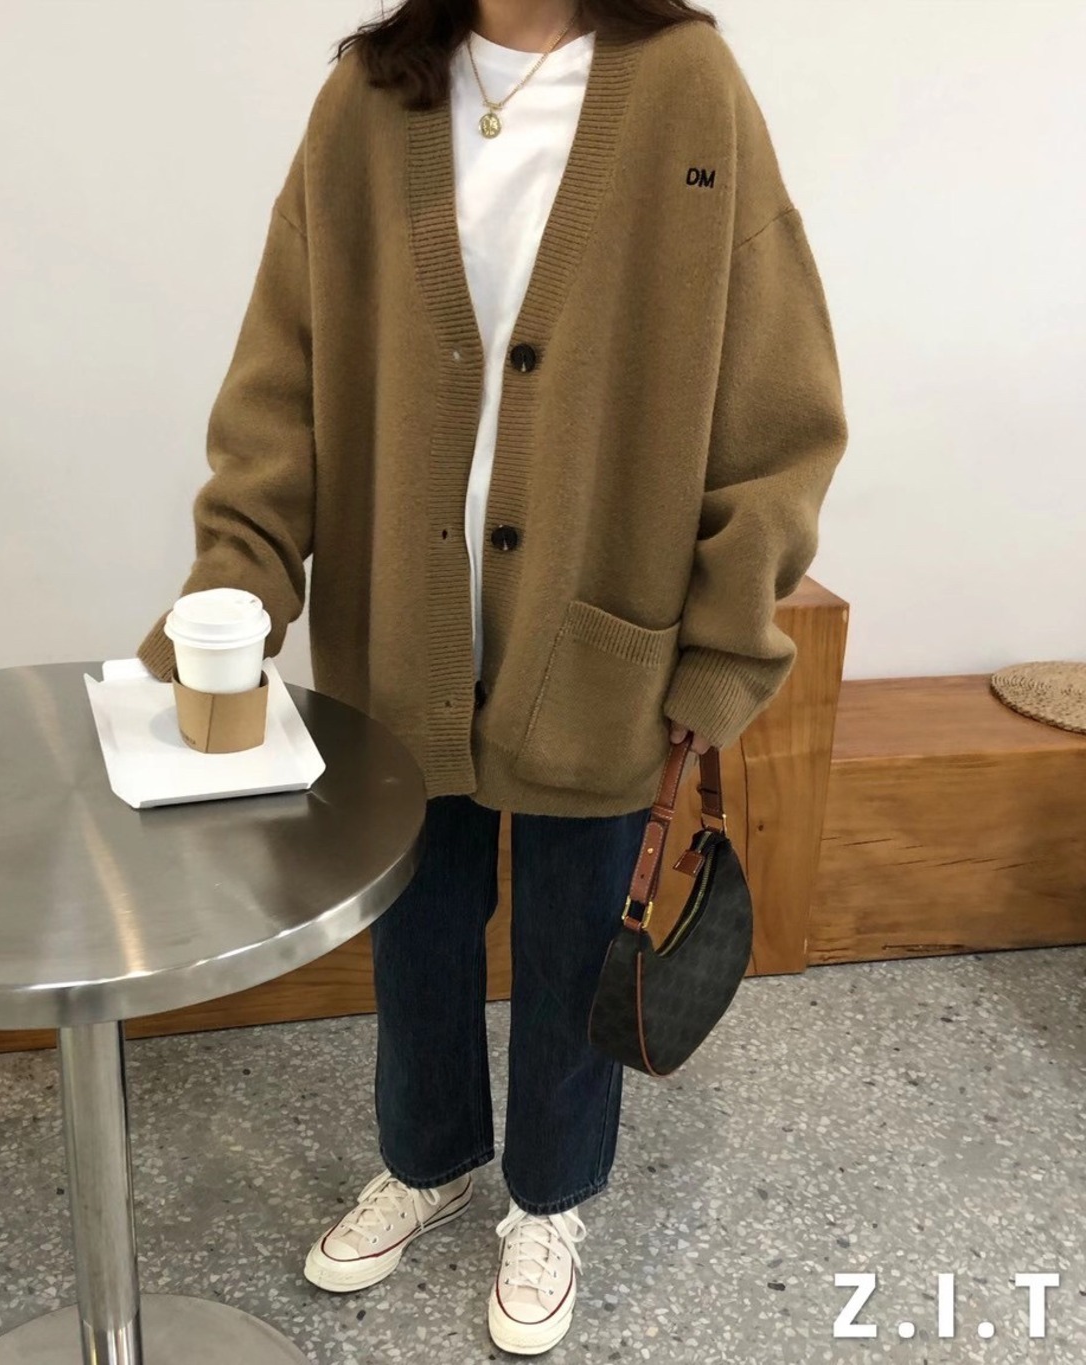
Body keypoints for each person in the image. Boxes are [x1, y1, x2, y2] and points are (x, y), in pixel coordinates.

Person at [136, 0, 848, 1353]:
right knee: (416, 926)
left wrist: (723, 642)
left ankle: (552, 1196)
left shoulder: (685, 84)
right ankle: (428, 1158)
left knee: (581, 936)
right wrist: (237, 583)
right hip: (399, 632)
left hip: (600, 630)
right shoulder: (371, 96)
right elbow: (281, 373)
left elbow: (776, 403)